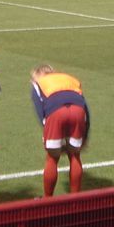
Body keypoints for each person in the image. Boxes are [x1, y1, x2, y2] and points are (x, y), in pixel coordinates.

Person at [30, 64, 90, 197]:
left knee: (52, 157)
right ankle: (75, 198)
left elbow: (41, 111)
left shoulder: (38, 84)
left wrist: (46, 130)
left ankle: (48, 199)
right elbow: (85, 107)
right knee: (75, 155)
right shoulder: (71, 79)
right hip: (78, 112)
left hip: (56, 113)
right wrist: (85, 134)